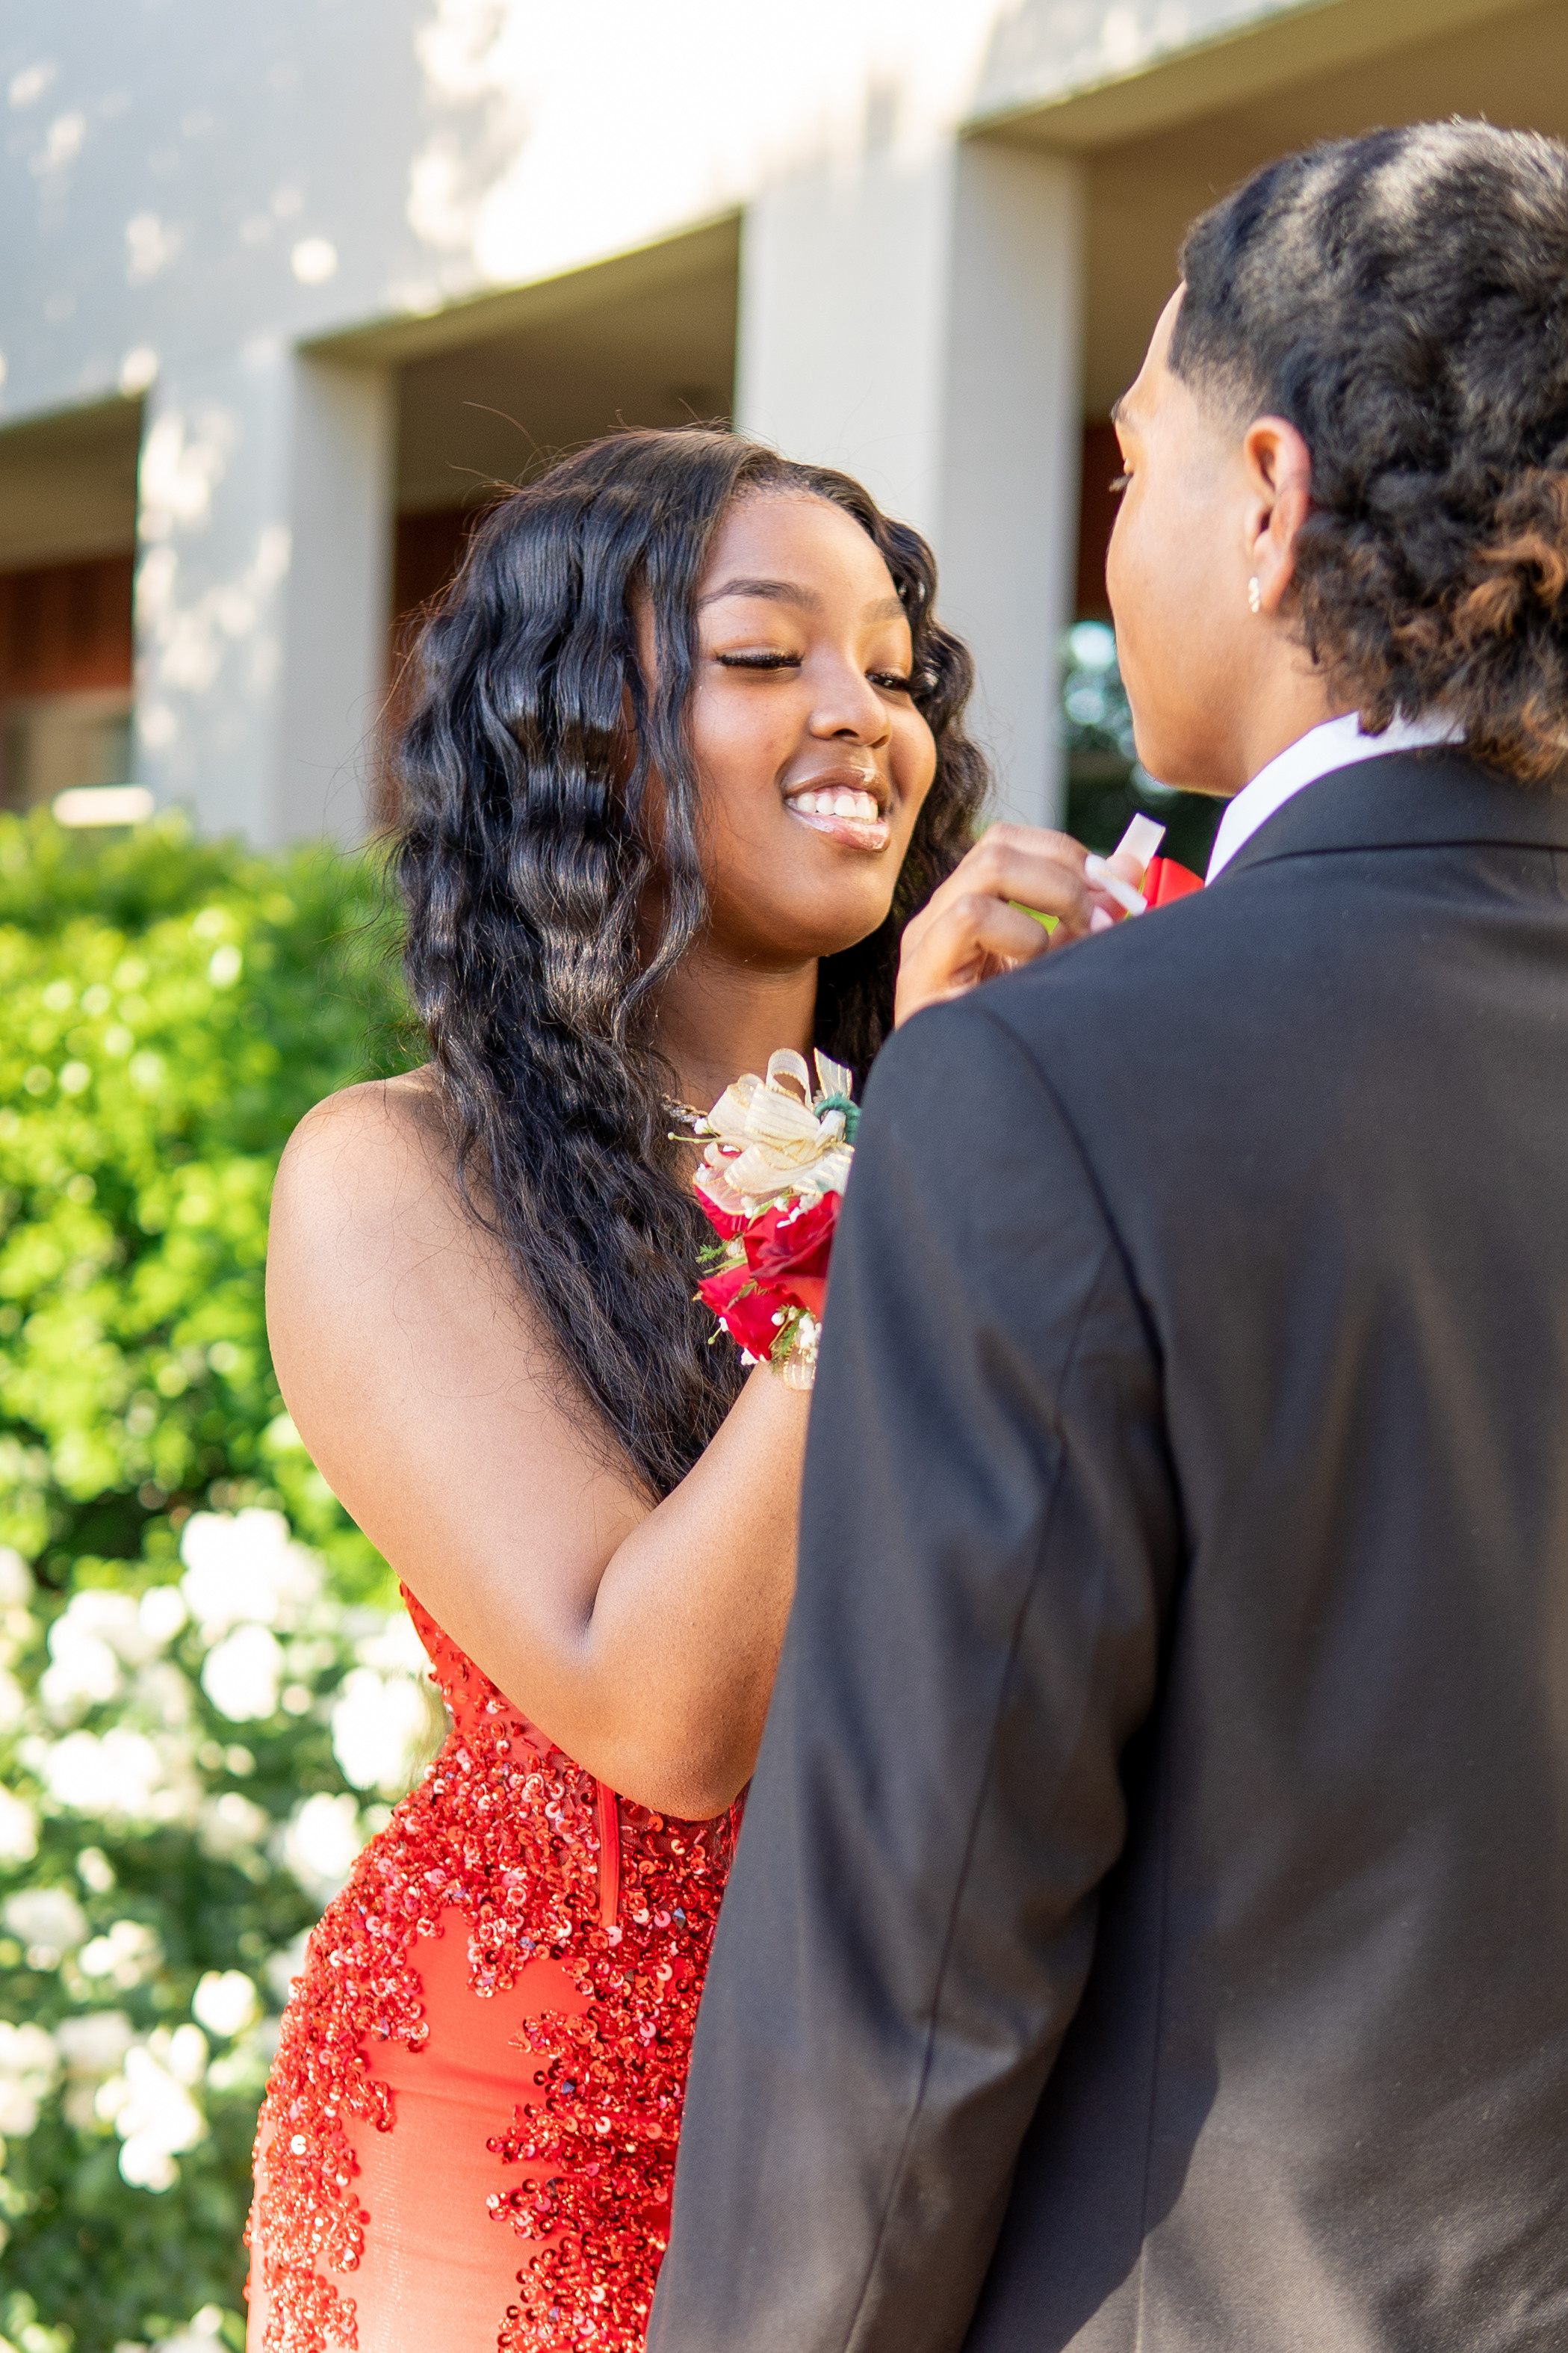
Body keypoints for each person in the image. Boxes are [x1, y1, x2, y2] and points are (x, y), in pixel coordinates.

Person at [648, 121, 1568, 2353]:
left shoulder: (1055, 1086)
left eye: (1132, 464)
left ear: (1266, 499)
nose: (1107, 537)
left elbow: (917, 1949)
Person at [247, 425, 1133, 2353]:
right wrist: (897, 1187)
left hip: (936, 2138)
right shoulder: (396, 1176)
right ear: (575, 730)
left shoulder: (976, 1149)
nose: (864, 717)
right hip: (534, 2149)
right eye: (763, 656)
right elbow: (660, 1710)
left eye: (895, 670)